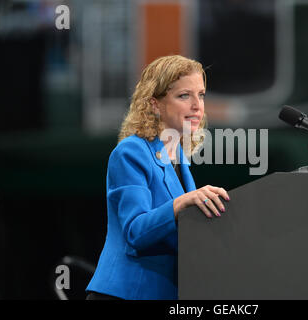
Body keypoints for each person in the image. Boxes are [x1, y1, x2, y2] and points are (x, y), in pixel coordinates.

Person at [86, 55, 230, 300]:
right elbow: (135, 231)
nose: (197, 105)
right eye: (184, 95)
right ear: (154, 104)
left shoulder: (181, 159)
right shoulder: (131, 152)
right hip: (126, 293)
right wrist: (182, 202)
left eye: (201, 94)